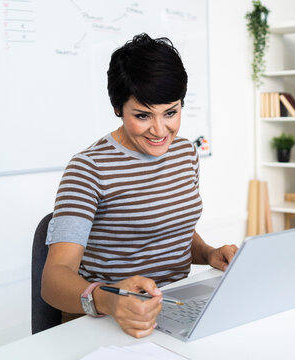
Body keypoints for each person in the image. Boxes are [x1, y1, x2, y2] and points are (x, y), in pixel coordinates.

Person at [41, 33, 238, 338]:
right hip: (104, 320)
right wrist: (108, 299)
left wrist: (209, 253)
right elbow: (53, 281)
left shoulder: (185, 153)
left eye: (171, 112)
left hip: (171, 308)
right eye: (143, 115)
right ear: (118, 109)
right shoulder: (87, 168)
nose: (160, 130)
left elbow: (171, 228)